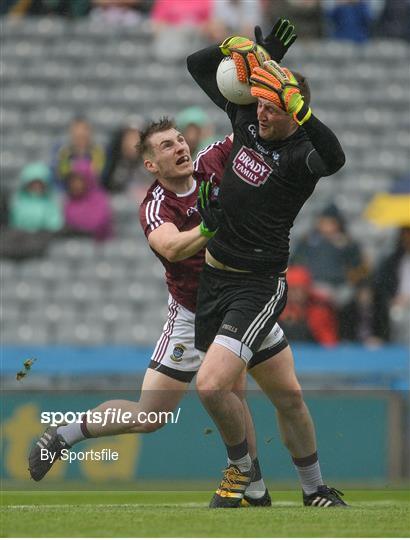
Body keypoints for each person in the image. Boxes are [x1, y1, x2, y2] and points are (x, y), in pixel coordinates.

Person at [29, 119, 291, 506]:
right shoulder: (154, 206)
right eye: (167, 146)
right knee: (149, 416)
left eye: (180, 140)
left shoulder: (212, 163)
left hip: (239, 300)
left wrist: (265, 69)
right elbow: (171, 248)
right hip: (191, 315)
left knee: (236, 392)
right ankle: (65, 435)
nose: (180, 147)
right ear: (151, 164)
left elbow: (247, 126)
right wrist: (210, 228)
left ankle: (253, 485)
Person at [186, 19, 347, 507]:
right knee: (289, 396)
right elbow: (198, 66)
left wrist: (297, 104)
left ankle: (248, 478)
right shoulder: (246, 120)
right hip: (215, 279)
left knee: (211, 386)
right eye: (257, 101)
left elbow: (335, 156)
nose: (259, 111)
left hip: (258, 285)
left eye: (272, 106)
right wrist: (250, 51)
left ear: (294, 112)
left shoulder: (303, 154)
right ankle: (303, 488)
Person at [279, 266, 339, 346]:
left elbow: (329, 343)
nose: (294, 294)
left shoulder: (319, 311)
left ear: (306, 290)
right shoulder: (276, 309)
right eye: (290, 289)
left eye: (298, 289)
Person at [62, 159, 113, 242]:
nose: (75, 185)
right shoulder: (68, 201)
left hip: (98, 246)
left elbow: (97, 224)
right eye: (73, 181)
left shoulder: (100, 198)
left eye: (79, 181)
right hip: (74, 245)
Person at [51, 116, 105, 186]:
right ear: (71, 133)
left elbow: (99, 175)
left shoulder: (98, 152)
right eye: (77, 130)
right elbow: (61, 176)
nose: (81, 133)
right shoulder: (64, 153)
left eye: (85, 129)